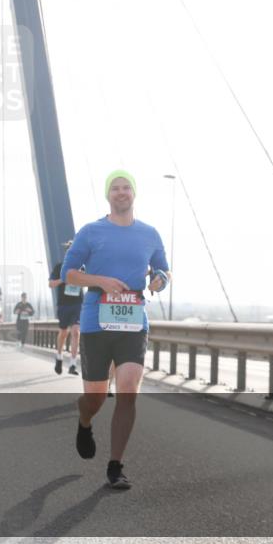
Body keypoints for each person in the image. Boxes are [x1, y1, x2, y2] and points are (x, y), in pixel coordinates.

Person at [62, 170, 170, 490]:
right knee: (95, 397)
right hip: (96, 320)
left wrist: (159, 280)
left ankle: (115, 465)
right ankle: (84, 421)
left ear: (134, 193)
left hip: (133, 321)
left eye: (126, 187)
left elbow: (164, 270)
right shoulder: (90, 231)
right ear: (108, 195)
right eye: (115, 188)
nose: (121, 192)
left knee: (127, 389)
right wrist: (100, 280)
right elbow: (69, 274)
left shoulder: (150, 234)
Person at [50, 242, 83, 375]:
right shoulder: (59, 267)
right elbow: (51, 284)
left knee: (76, 332)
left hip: (77, 304)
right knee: (63, 333)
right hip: (64, 304)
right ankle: (59, 357)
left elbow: (89, 282)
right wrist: (63, 279)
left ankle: (73, 364)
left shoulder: (81, 267)